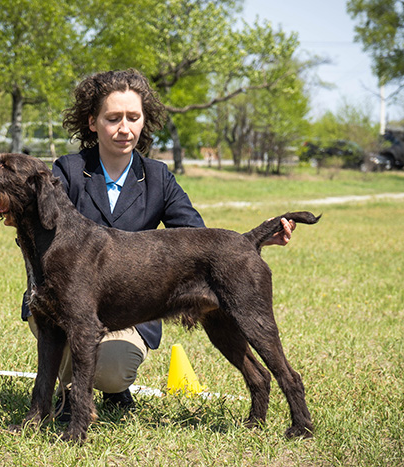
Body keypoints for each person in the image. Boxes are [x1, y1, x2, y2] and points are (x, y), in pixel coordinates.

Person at [22, 68, 295, 420]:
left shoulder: (158, 177)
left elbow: (196, 236)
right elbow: (44, 224)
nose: (124, 128)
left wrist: (251, 244)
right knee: (72, 332)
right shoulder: (69, 171)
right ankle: (71, 395)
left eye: (133, 117)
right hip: (69, 302)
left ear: (144, 121)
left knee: (111, 369)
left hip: (131, 308)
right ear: (92, 122)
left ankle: (109, 390)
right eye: (113, 118)